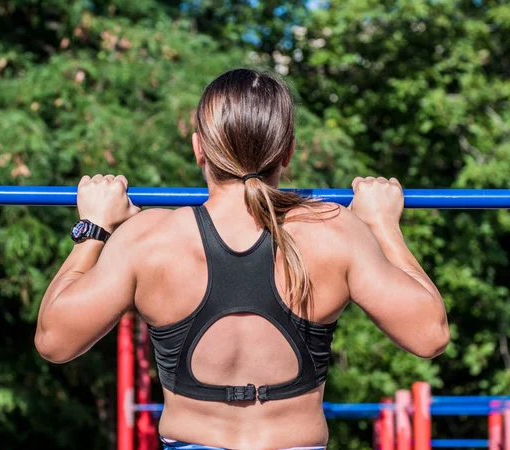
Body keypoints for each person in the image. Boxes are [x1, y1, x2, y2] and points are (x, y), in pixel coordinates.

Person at [35, 69, 449, 450]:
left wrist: (93, 227)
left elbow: (54, 340)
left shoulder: (149, 239)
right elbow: (429, 335)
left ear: (200, 148)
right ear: (287, 151)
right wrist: (383, 226)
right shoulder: (333, 230)